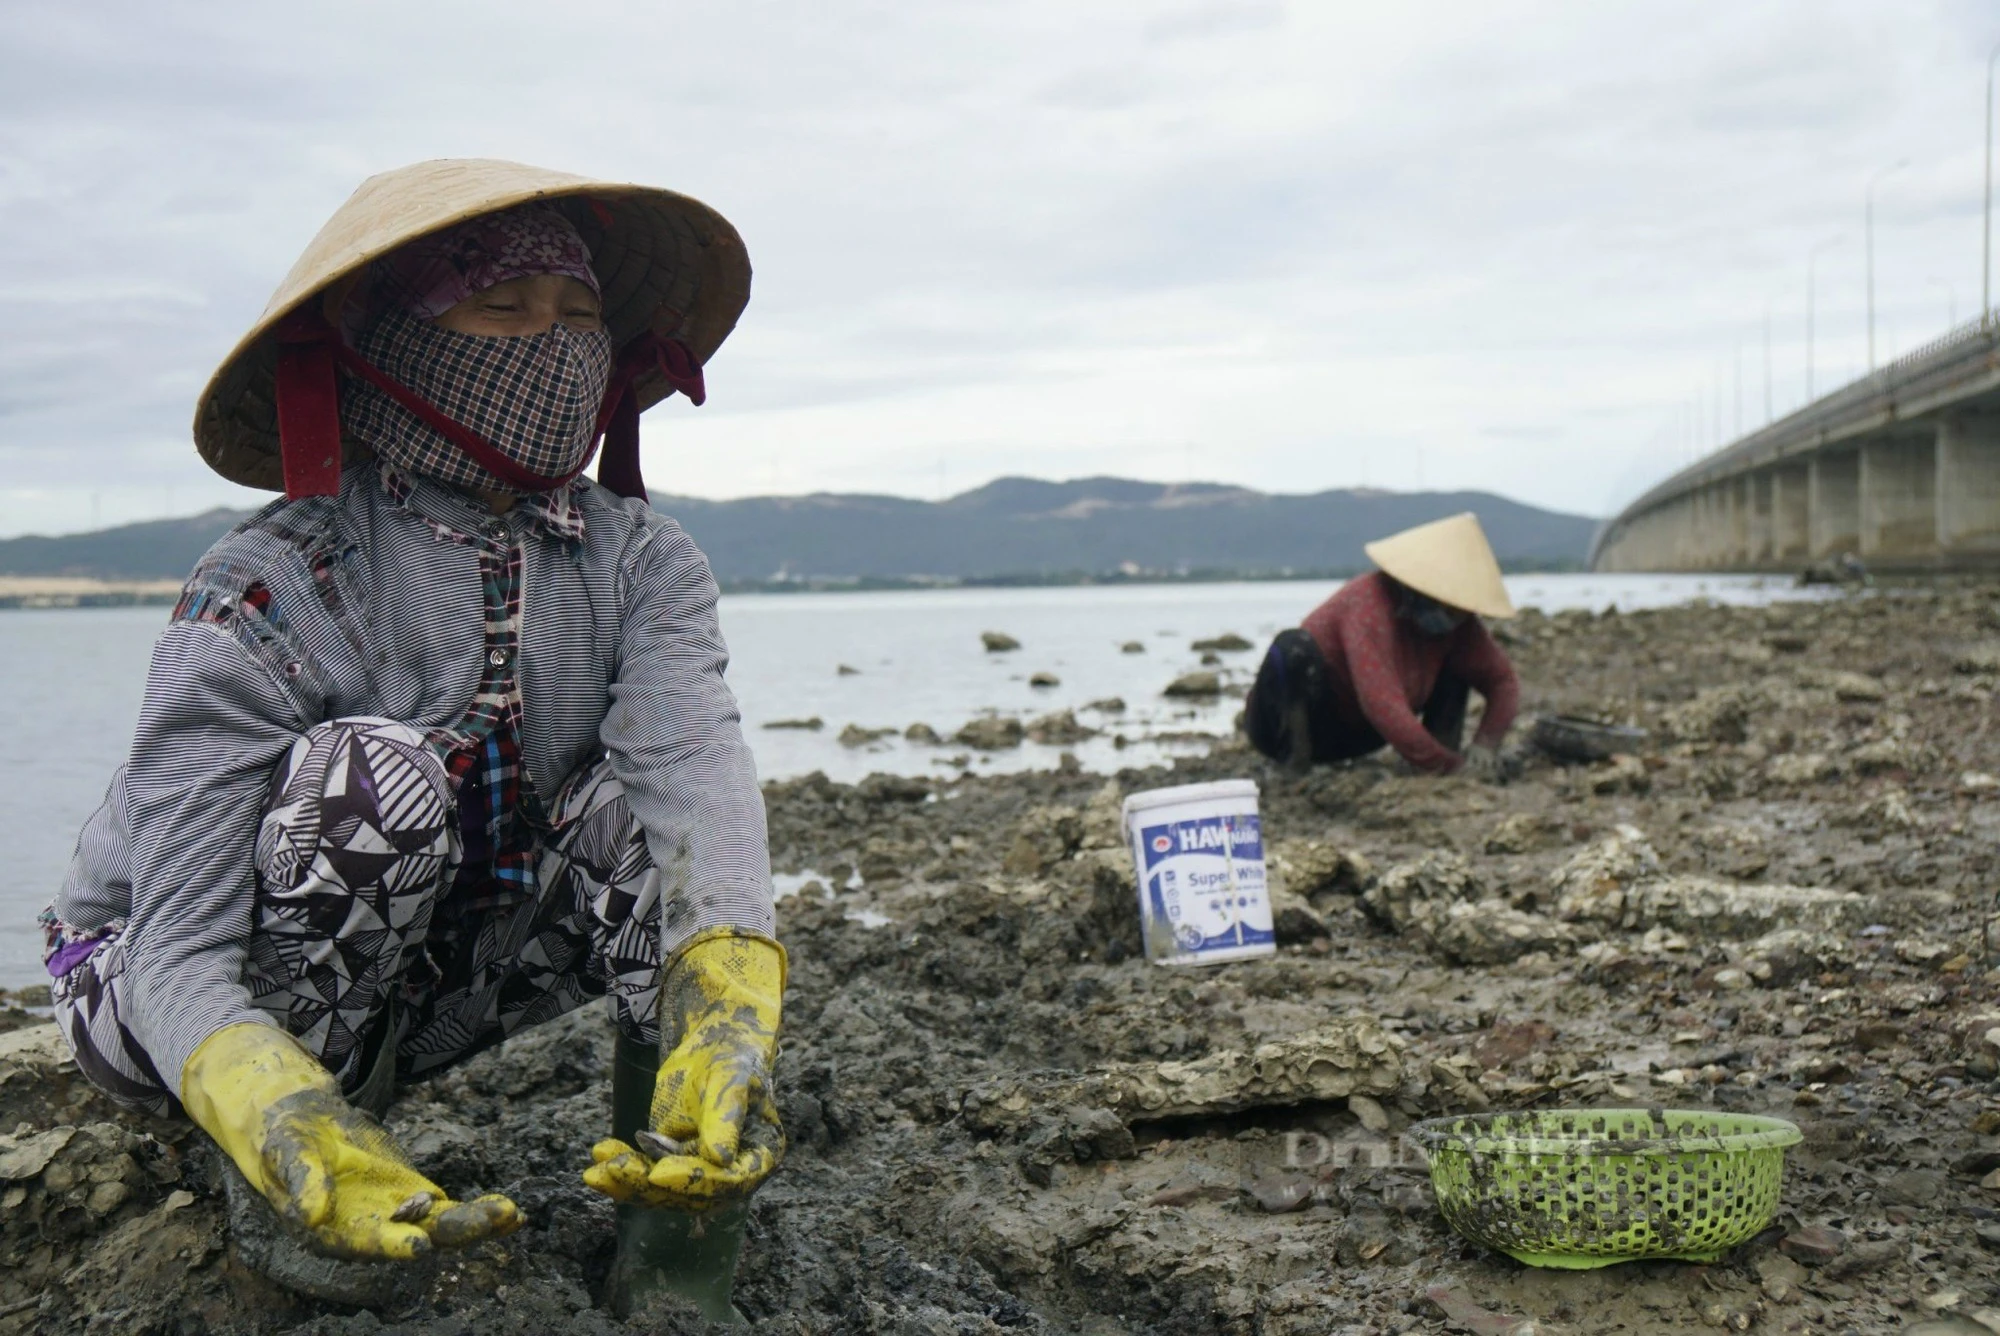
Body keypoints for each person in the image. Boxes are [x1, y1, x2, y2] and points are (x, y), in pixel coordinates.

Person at [40, 160, 780, 1300]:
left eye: (579, 316)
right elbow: (178, 948)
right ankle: (298, 1176)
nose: (554, 344)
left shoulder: (638, 559)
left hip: (445, 962)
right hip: (165, 987)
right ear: (386, 344)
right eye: (502, 308)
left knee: (661, 823)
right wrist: (269, 1102)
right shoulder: (267, 584)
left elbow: (692, 763)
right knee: (366, 781)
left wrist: (727, 1007)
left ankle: (680, 1236)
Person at [1244, 512, 1520, 776]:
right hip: (1297, 725)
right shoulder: (1369, 604)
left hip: (1359, 735)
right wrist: (1452, 766)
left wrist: (1486, 744)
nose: (1457, 615)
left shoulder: (1460, 627)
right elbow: (1383, 706)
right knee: (1293, 649)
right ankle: (1293, 765)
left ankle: (1433, 762)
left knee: (1460, 668)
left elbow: (1502, 682)